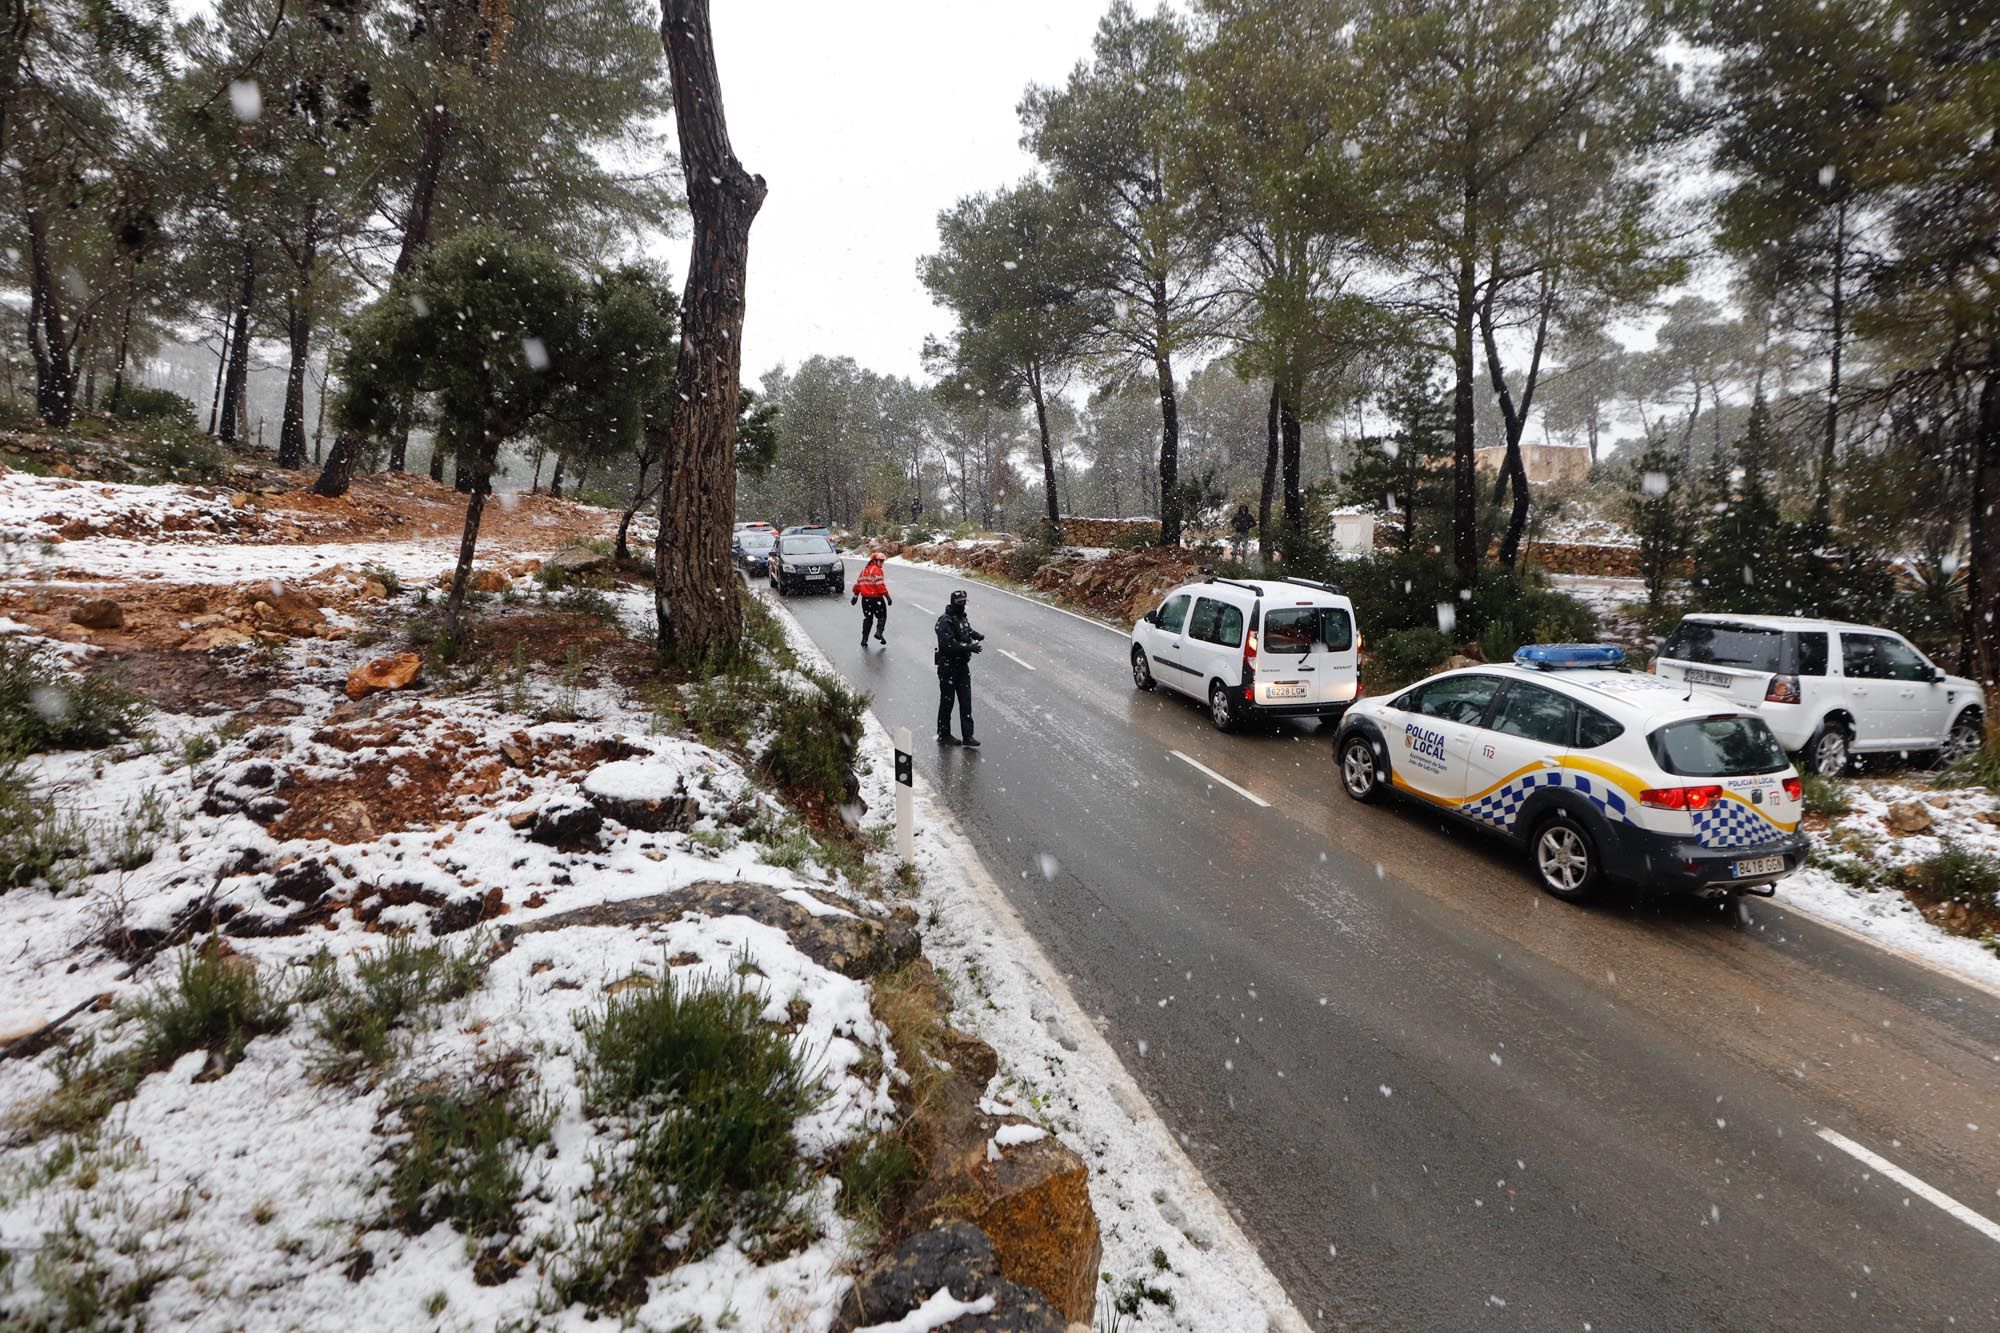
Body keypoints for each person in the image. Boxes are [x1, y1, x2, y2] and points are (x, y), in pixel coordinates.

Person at [934, 588, 984, 747]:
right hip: (948, 667)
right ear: (953, 603)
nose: (962, 605)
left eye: (964, 602)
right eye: (960, 602)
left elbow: (966, 630)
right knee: (947, 702)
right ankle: (944, 734)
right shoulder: (944, 621)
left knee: (966, 702)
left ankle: (968, 736)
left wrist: (976, 635)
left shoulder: (962, 617)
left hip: (962, 666)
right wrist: (969, 648)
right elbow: (948, 645)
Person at [851, 551, 892, 646]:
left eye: (883, 561)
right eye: (880, 561)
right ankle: (879, 632)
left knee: (868, 619)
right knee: (882, 617)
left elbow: (858, 584)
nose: (882, 563)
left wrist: (855, 595)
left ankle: (864, 640)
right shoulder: (877, 570)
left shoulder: (864, 571)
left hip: (865, 600)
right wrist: (887, 596)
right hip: (876, 599)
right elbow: (880, 585)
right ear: (874, 561)